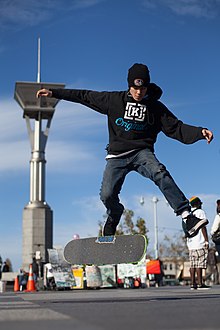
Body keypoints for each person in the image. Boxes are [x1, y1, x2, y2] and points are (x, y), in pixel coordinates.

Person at [36, 63, 213, 238]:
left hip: (141, 152)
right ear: (129, 85)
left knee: (160, 172)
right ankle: (115, 213)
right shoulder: (114, 101)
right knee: (106, 195)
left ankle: (186, 216)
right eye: (135, 89)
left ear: (147, 87)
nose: (138, 93)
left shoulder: (155, 108)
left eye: (142, 89)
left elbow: (176, 128)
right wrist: (55, 93)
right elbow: (85, 96)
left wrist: (199, 132)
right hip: (117, 156)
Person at [186, 196, 210, 290]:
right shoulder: (200, 212)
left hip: (191, 243)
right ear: (198, 203)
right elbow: (203, 226)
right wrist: (206, 240)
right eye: (200, 203)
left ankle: (192, 283)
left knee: (193, 264)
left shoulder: (188, 214)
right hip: (199, 242)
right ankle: (200, 283)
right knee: (199, 264)